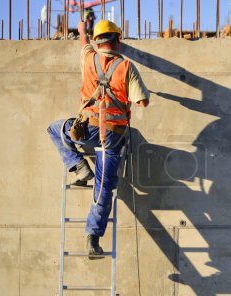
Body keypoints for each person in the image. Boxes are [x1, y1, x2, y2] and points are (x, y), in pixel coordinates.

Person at [47, 19, 150, 258]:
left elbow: (83, 42)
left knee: (55, 130)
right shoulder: (126, 67)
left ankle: (79, 166)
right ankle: (92, 239)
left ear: (97, 41)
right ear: (117, 41)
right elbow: (142, 101)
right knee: (103, 189)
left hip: (86, 131)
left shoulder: (88, 58)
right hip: (112, 137)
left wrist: (82, 30)